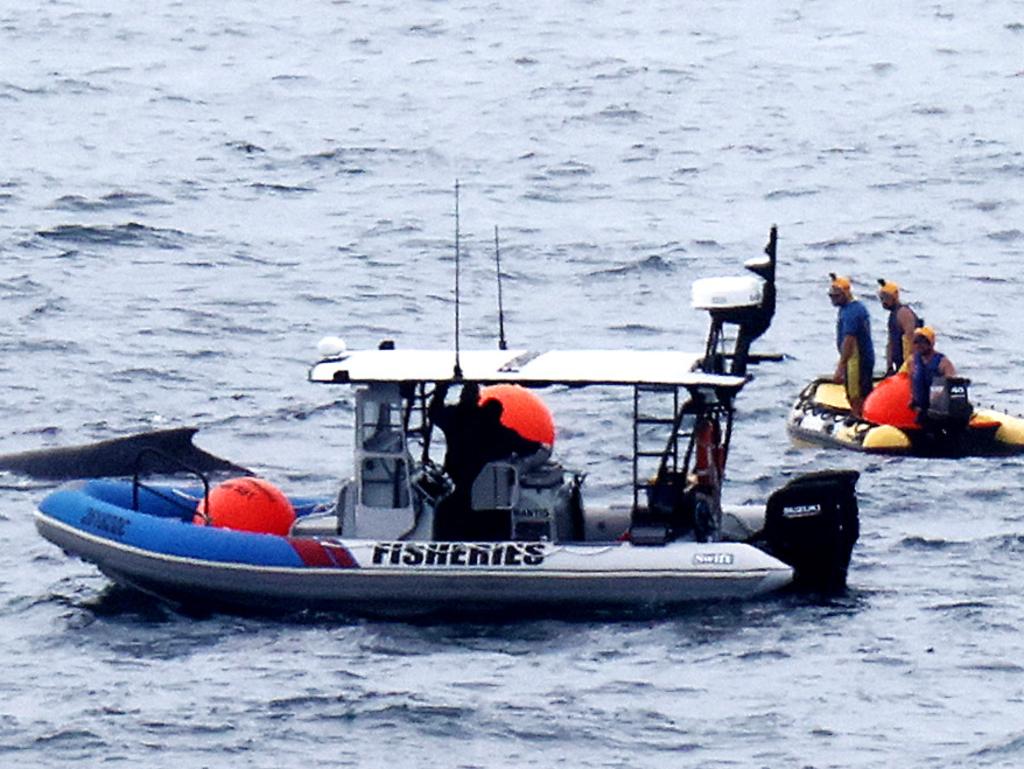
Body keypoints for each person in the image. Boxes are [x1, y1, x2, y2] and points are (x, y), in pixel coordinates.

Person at [428, 382, 541, 539]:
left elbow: (434, 412)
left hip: (462, 488)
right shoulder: (501, 432)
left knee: (446, 508)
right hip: (491, 495)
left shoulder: (454, 418)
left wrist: (441, 390)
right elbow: (530, 447)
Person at [829, 274, 875, 418]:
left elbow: (849, 340)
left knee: (856, 394)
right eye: (831, 296)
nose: (833, 300)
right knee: (855, 391)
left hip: (857, 359)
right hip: (855, 358)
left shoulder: (852, 312)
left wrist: (841, 367)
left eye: (836, 296)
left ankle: (861, 418)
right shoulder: (848, 308)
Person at [907, 326, 956, 423]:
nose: (919, 345)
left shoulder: (942, 362)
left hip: (937, 407)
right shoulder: (913, 361)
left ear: (931, 343)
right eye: (916, 342)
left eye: (923, 341)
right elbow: (911, 380)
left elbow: (951, 381)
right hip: (921, 407)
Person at [876, 278, 920, 375]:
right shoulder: (892, 315)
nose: (883, 302)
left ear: (894, 297)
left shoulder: (903, 313)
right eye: (881, 298)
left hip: (909, 365)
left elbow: (911, 339)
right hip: (899, 364)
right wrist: (889, 366)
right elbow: (890, 342)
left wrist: (909, 365)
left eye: (886, 298)